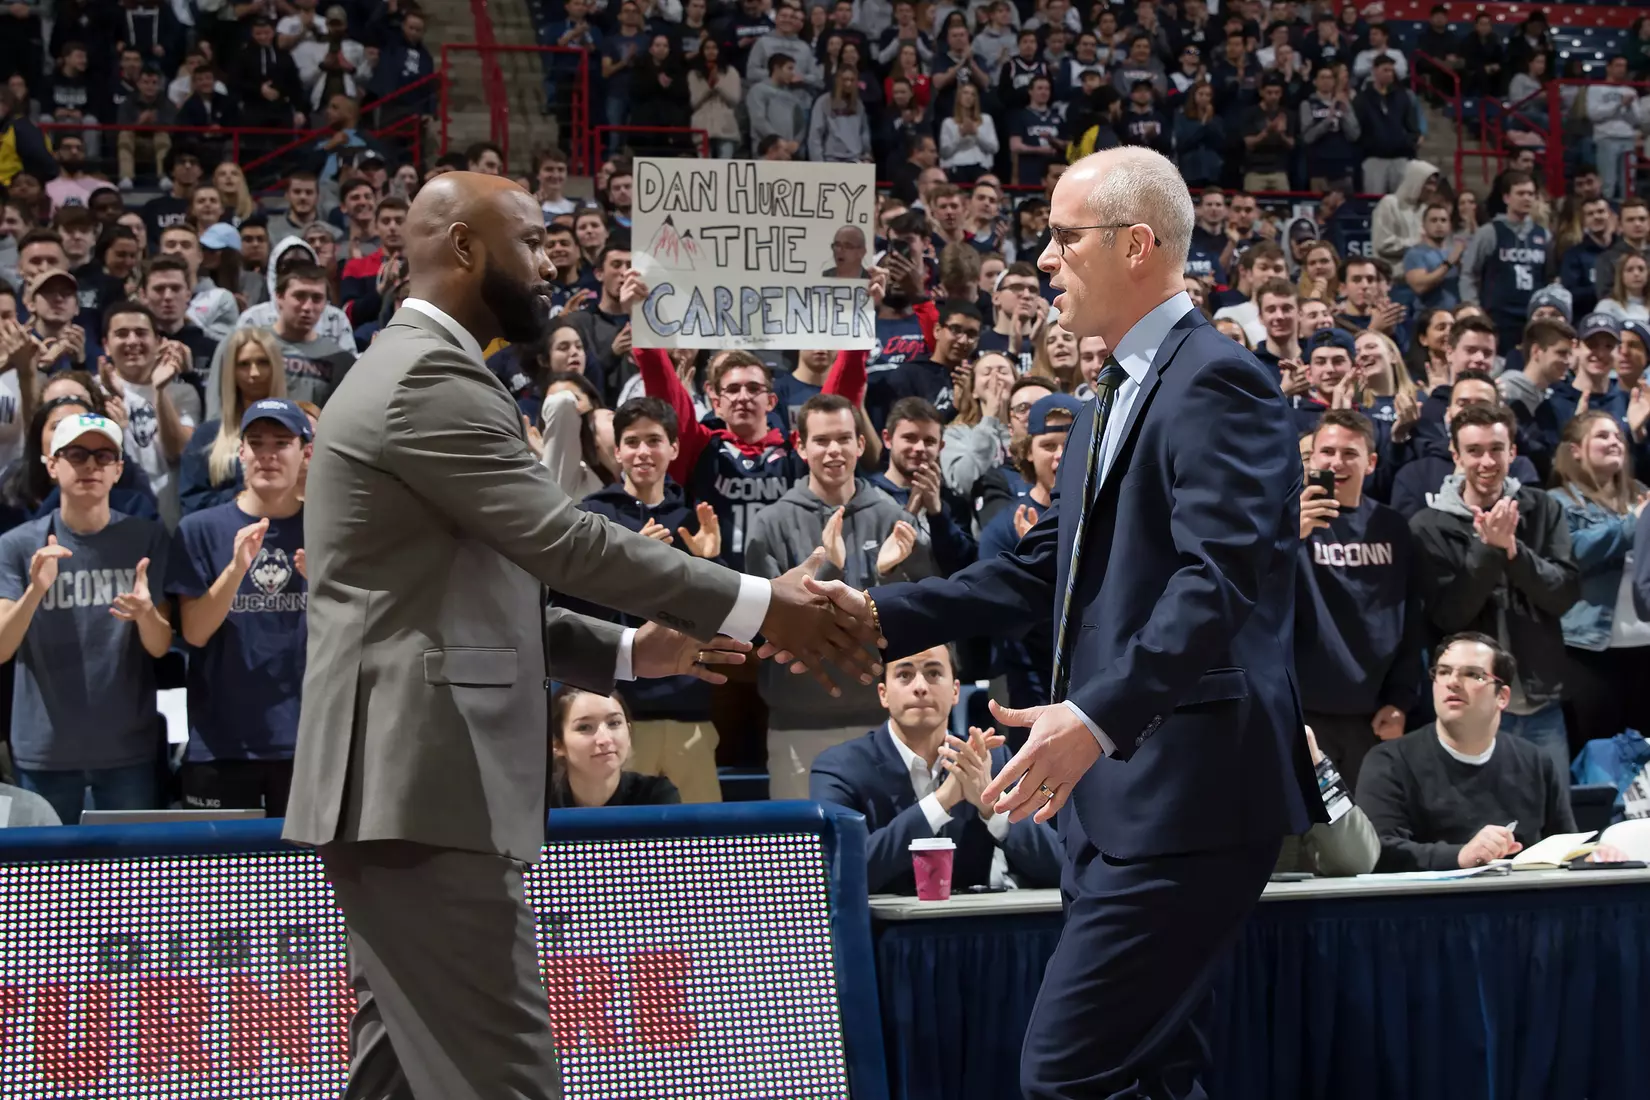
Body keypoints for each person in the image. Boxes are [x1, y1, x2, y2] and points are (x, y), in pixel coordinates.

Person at [281, 172, 873, 1100]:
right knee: (509, 1080)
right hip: (426, 782)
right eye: (530, 239)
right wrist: (762, 603)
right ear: (465, 246)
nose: (551, 260)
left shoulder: (418, 369)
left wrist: (637, 652)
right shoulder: (425, 377)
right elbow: (561, 541)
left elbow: (470, 595)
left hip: (405, 787)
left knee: (398, 1080)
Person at [797, 148, 1321, 1099]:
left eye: (1062, 238)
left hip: (1187, 795)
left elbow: (1219, 583)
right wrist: (880, 611)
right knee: (1155, 1074)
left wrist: (1094, 717)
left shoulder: (1220, 381)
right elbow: (1045, 571)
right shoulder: (1100, 400)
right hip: (1120, 802)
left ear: (1135, 245)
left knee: (1067, 1073)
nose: (1042, 259)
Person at [747, 392, 937, 797]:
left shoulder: (893, 517)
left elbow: (926, 618)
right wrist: (830, 566)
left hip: (883, 723)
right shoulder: (769, 524)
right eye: (821, 440)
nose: (834, 450)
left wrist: (889, 574)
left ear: (861, 444)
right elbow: (768, 627)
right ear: (800, 446)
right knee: (800, 857)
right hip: (797, 725)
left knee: (886, 852)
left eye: (843, 439)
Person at [0, 413, 171, 825]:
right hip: (45, 751)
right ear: (52, 464)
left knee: (133, 884)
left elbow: (161, 645)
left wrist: (146, 612)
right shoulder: (17, 545)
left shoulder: (147, 539)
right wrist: (35, 591)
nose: (91, 466)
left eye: (103, 455)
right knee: (39, 885)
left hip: (127, 750)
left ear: (117, 470)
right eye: (76, 454)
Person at [1409, 403, 1580, 776]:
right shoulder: (1428, 526)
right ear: (1455, 455)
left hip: (1540, 706)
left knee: (1556, 824)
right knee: (1480, 827)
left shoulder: (1543, 508)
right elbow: (1448, 614)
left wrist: (1514, 552)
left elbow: (1563, 594)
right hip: (1470, 712)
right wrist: (1489, 549)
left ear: (1512, 452)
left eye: (1496, 449)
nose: (1487, 461)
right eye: (1474, 451)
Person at [810, 643, 1062, 893]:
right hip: (880, 930)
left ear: (954, 691)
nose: (920, 687)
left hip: (969, 927)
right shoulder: (840, 767)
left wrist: (991, 805)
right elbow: (838, 873)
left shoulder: (990, 761)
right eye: (904, 675)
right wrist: (941, 800)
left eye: (933, 673)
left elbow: (1059, 868)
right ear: (883, 693)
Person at [575, 396, 725, 803]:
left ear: (674, 448)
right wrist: (627, 565)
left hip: (689, 709)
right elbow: (575, 610)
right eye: (633, 441)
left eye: (654, 440)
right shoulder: (591, 517)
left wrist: (712, 564)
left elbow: (723, 620)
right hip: (617, 715)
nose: (643, 452)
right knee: (620, 849)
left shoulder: (697, 518)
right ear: (617, 450)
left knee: (704, 849)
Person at [166, 398, 310, 814]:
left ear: (306, 453)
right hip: (220, 745)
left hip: (309, 742)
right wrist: (234, 570)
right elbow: (194, 632)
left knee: (306, 878)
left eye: (281, 442)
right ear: (240, 451)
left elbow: (354, 635)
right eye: (257, 442)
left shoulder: (328, 527)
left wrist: (323, 587)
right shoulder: (199, 530)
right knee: (220, 878)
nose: (267, 453)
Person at [1356, 632, 1576, 872]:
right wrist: (1461, 856)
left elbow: (1564, 847)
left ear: (1501, 697)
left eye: (1472, 674)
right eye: (1443, 672)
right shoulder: (1389, 761)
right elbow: (1378, 851)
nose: (1452, 682)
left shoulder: (1535, 762)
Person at [1295, 408, 1423, 793]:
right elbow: (1253, 603)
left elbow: (1409, 620)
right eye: (1327, 452)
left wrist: (1400, 699)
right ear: (1311, 457)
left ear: (1371, 463)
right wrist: (1287, 538)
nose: (1337, 462)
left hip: (1372, 715)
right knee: (1299, 844)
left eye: (1350, 454)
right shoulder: (1282, 521)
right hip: (1302, 714)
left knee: (1362, 842)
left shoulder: (1393, 528)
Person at [1547, 411, 1650, 752]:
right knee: (1595, 753)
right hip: (1589, 650)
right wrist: (1630, 525)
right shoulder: (1559, 502)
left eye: (1618, 437)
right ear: (1576, 450)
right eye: (1603, 436)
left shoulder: (1641, 495)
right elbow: (1571, 553)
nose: (1614, 442)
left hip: (1645, 646)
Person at [1460, 171, 1552, 353]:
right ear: (1507, 197)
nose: (1526, 198)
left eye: (1530, 194)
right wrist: (1474, 308)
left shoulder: (1543, 235)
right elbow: (1469, 273)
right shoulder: (1489, 232)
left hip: (1532, 317)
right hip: (1497, 318)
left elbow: (1549, 277)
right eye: (1520, 193)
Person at [547, 688, 681, 808]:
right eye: (584, 727)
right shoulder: (538, 802)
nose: (604, 739)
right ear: (557, 743)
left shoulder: (657, 798)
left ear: (629, 733)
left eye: (614, 723)